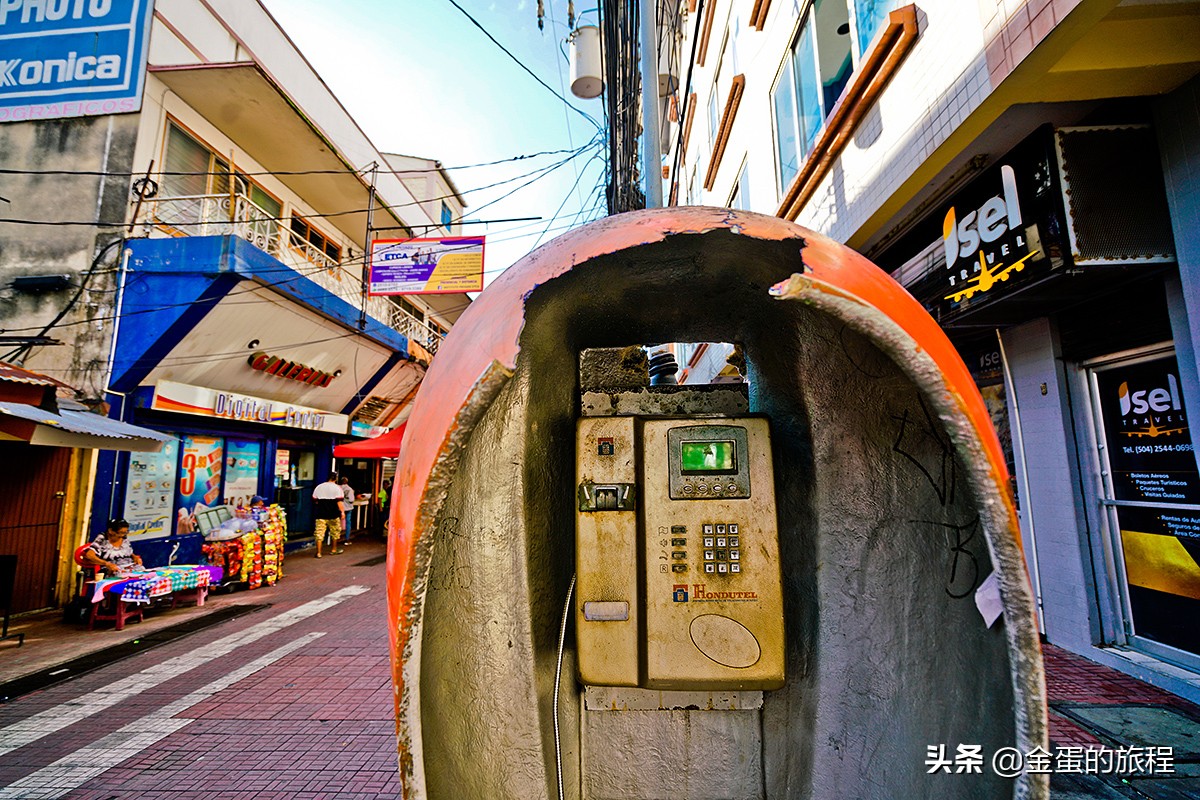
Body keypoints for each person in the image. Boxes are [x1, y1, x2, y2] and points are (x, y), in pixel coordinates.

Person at [311, 472, 344, 558]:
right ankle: (333, 549)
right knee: (335, 532)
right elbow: (339, 502)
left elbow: (315, 500)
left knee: (319, 533)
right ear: (335, 478)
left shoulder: (319, 487)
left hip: (321, 514)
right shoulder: (337, 488)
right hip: (333, 514)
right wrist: (342, 512)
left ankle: (318, 552)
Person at [338, 477, 355, 547]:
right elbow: (351, 500)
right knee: (348, 522)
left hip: (339, 507)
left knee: (338, 523)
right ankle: (347, 539)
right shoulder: (349, 489)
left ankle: (336, 537)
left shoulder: (338, 488)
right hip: (348, 508)